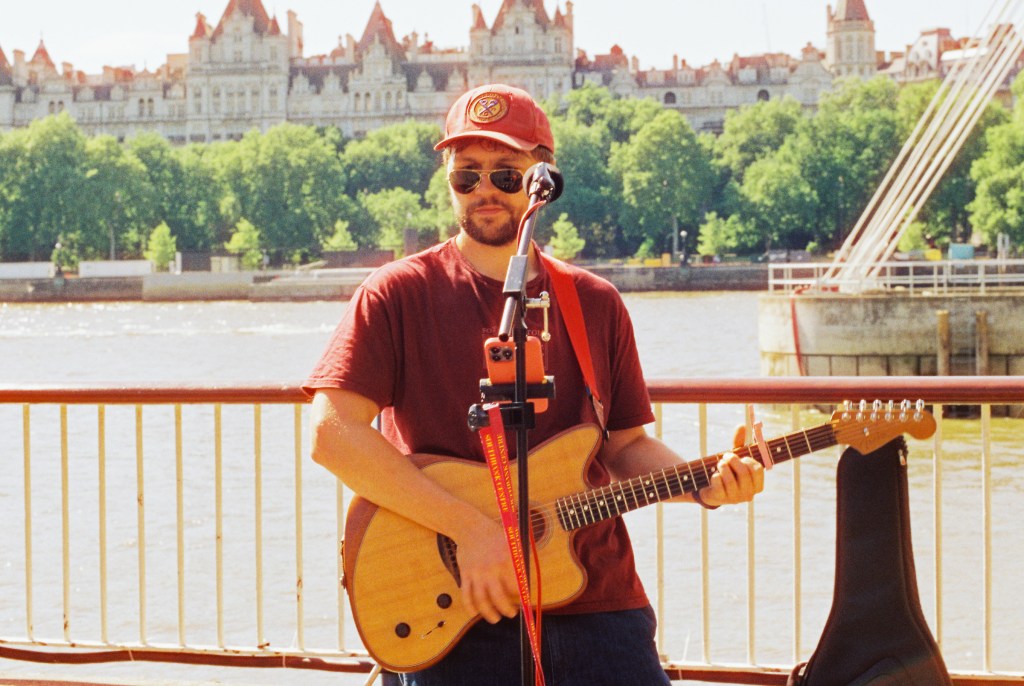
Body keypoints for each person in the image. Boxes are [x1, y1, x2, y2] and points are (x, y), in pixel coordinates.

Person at [305, 83, 764, 686]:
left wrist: (705, 485)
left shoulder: (593, 303)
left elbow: (622, 448)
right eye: (466, 176)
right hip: (465, 602)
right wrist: (470, 531)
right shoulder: (396, 292)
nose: (485, 190)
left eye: (506, 173)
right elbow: (333, 434)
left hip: (599, 603)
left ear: (542, 178)